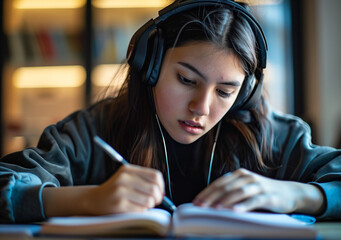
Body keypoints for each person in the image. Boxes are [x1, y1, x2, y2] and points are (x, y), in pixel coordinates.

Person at [1, 0, 341, 224]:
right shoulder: (91, 131)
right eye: (186, 79)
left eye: (225, 91)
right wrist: (89, 200)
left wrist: (297, 194)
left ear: (245, 93)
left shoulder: (277, 136)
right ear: (149, 64)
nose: (202, 108)